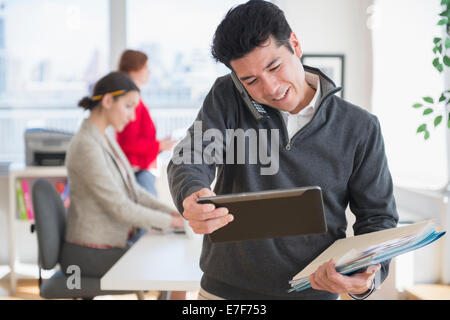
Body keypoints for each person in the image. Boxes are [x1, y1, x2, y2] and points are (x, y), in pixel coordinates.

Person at [167, 0, 399, 300]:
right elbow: (191, 155)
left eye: (274, 66)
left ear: (295, 44)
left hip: (314, 294)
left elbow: (378, 218)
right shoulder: (227, 97)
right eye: (250, 80)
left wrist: (367, 276)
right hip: (224, 294)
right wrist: (191, 191)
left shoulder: (359, 126)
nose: (271, 88)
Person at [61, 71, 185, 299]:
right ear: (108, 101)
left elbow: (134, 191)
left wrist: (172, 214)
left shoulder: (104, 138)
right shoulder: (86, 145)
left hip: (107, 245)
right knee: (172, 265)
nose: (132, 117)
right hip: (88, 252)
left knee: (172, 257)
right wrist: (171, 222)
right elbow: (120, 207)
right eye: (128, 106)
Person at [116, 49, 177, 197]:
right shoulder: (130, 100)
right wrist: (159, 145)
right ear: (135, 69)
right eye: (146, 69)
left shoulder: (131, 97)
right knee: (149, 216)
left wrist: (159, 144)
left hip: (139, 169)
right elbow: (129, 142)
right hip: (138, 171)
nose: (149, 73)